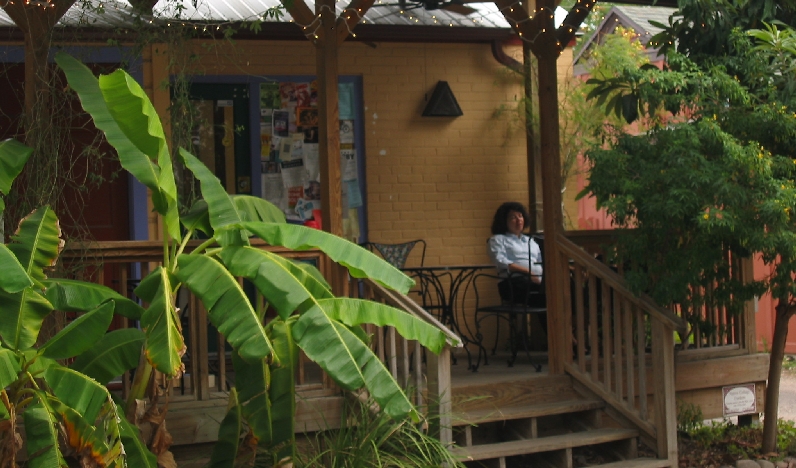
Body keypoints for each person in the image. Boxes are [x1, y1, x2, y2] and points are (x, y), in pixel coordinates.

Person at [487, 202, 544, 306]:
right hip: (513, 283)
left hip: (537, 281)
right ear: (504, 221)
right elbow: (501, 261)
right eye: (513, 217)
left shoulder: (530, 241)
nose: (519, 220)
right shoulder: (498, 239)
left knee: (565, 288)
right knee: (548, 295)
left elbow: (541, 262)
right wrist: (529, 272)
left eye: (520, 216)